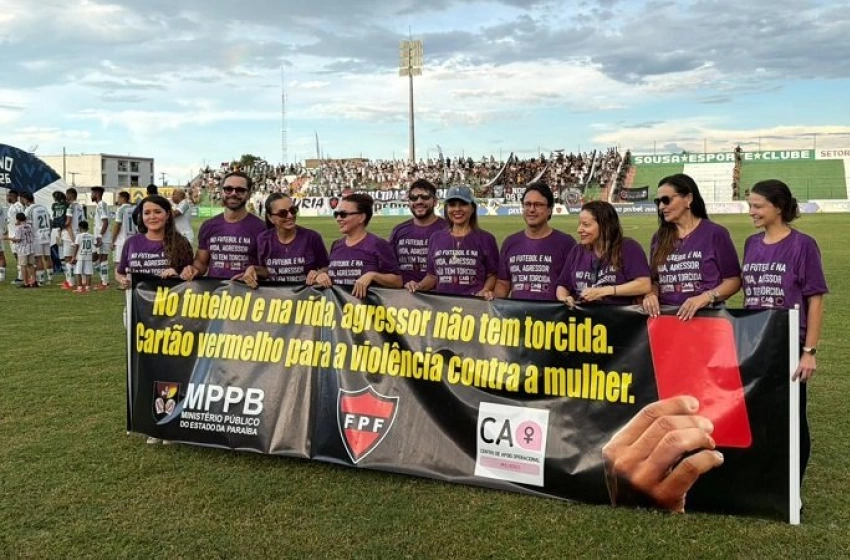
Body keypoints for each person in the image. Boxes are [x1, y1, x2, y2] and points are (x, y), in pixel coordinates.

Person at [742, 179, 828, 481]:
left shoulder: (802, 245)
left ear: (778, 207)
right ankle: (764, 477)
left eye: (757, 206)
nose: (751, 211)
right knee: (758, 412)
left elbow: (815, 301)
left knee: (791, 416)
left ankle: (791, 488)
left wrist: (809, 352)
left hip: (789, 342)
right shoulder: (751, 244)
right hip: (755, 341)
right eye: (749, 205)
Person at [642, 174, 741, 320]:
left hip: (706, 318)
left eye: (666, 200)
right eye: (658, 201)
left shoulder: (715, 233)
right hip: (667, 319)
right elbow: (655, 281)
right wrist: (651, 294)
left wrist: (705, 297)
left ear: (688, 198)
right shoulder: (659, 238)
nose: (662, 206)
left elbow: (733, 281)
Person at [409, 185, 499, 299]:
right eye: (452, 205)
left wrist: (486, 290)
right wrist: (418, 286)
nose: (457, 209)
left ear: (472, 208)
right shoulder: (436, 238)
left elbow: (492, 275)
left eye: (463, 204)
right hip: (444, 310)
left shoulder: (486, 239)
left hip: (474, 308)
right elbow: (432, 276)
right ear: (446, 209)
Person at [555, 201, 651, 306]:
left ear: (605, 226)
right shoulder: (577, 251)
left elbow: (644, 284)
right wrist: (564, 298)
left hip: (618, 320)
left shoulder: (628, 248)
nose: (579, 230)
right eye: (580, 224)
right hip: (585, 321)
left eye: (586, 225)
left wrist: (604, 291)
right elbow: (563, 285)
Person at [494, 182, 575, 300]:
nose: (531, 209)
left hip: (552, 317)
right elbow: (503, 283)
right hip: (517, 316)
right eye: (527, 204)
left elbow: (573, 284)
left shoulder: (566, 243)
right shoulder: (510, 243)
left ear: (549, 210)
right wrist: (493, 297)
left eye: (538, 205)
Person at [311, 193, 402, 298]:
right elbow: (333, 272)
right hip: (339, 311)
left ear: (361, 217)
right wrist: (321, 275)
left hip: (368, 312)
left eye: (343, 214)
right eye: (336, 214)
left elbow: (397, 281)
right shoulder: (336, 245)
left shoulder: (378, 245)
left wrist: (373, 275)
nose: (338, 219)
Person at [180, 171, 267, 281]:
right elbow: (201, 263)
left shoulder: (261, 228)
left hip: (248, 295)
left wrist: (255, 271)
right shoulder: (208, 226)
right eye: (228, 189)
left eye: (240, 190)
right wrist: (192, 270)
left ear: (249, 194)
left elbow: (269, 270)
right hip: (216, 294)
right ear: (221, 193)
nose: (233, 193)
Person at [238, 193, 329, 287]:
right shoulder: (263, 239)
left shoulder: (312, 237)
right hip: (277, 299)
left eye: (293, 210)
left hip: (305, 299)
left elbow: (326, 267)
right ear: (270, 218)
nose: (290, 216)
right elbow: (266, 272)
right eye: (283, 213)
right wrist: (252, 269)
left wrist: (319, 274)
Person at [116, 195, 194, 288]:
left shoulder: (181, 243)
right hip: (139, 301)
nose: (152, 217)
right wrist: (123, 280)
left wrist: (178, 274)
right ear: (142, 216)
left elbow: (190, 276)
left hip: (171, 300)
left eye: (157, 212)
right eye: (147, 213)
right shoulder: (131, 242)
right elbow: (119, 272)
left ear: (168, 215)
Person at [388, 179, 447, 290]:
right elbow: (389, 266)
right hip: (402, 299)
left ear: (435, 201)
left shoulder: (448, 229)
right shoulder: (399, 231)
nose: (419, 201)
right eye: (413, 198)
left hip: (438, 299)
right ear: (409, 202)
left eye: (425, 197)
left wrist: (420, 286)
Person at [19, 192, 53, 285]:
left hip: (37, 236)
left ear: (25, 199)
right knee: (47, 257)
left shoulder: (29, 210)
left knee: (38, 258)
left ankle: (41, 279)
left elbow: (28, 225)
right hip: (46, 234)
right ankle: (50, 278)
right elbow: (50, 220)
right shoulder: (43, 207)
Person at [61, 188, 86, 290]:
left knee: (68, 259)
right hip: (79, 234)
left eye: (66, 195)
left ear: (70, 195)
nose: (65, 197)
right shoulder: (80, 207)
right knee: (77, 259)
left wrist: (60, 225)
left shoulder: (70, 207)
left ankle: (70, 282)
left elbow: (68, 224)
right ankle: (81, 280)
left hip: (70, 237)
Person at [4, 212, 36, 287]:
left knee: (23, 266)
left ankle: (26, 283)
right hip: (31, 247)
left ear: (18, 219)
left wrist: (7, 238)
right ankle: (34, 281)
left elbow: (18, 240)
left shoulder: (19, 228)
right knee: (31, 265)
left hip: (22, 249)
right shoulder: (29, 226)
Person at [90, 187, 112, 289]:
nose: (91, 195)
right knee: (94, 257)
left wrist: (99, 236)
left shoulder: (101, 204)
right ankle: (103, 279)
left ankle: (104, 283)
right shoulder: (100, 205)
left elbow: (105, 222)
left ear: (97, 193)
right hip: (99, 236)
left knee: (103, 259)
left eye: (92, 193)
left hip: (103, 237)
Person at [112, 191, 136, 277]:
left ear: (123, 198)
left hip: (121, 240)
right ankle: (130, 280)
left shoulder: (121, 209)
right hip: (133, 239)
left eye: (118, 198)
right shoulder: (134, 208)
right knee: (131, 261)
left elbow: (117, 226)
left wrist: (112, 241)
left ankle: (123, 282)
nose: (117, 200)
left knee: (118, 262)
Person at [71, 220, 95, 293]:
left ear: (80, 228)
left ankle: (80, 288)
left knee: (78, 272)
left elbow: (76, 246)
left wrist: (73, 256)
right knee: (88, 272)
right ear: (87, 228)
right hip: (88, 256)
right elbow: (95, 245)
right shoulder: (92, 236)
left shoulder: (79, 236)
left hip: (80, 256)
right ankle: (88, 287)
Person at [6, 190, 24, 283]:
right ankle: (21, 276)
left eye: (8, 195)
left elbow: (22, 220)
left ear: (13, 196)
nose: (7, 197)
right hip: (11, 234)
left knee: (19, 256)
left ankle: (21, 277)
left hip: (16, 235)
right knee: (16, 256)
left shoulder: (18, 206)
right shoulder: (12, 206)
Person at [49, 190, 68, 276]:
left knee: (56, 248)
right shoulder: (65, 205)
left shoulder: (54, 205)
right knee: (61, 248)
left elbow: (55, 215)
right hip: (62, 227)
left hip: (56, 227)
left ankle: (61, 268)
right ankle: (63, 268)